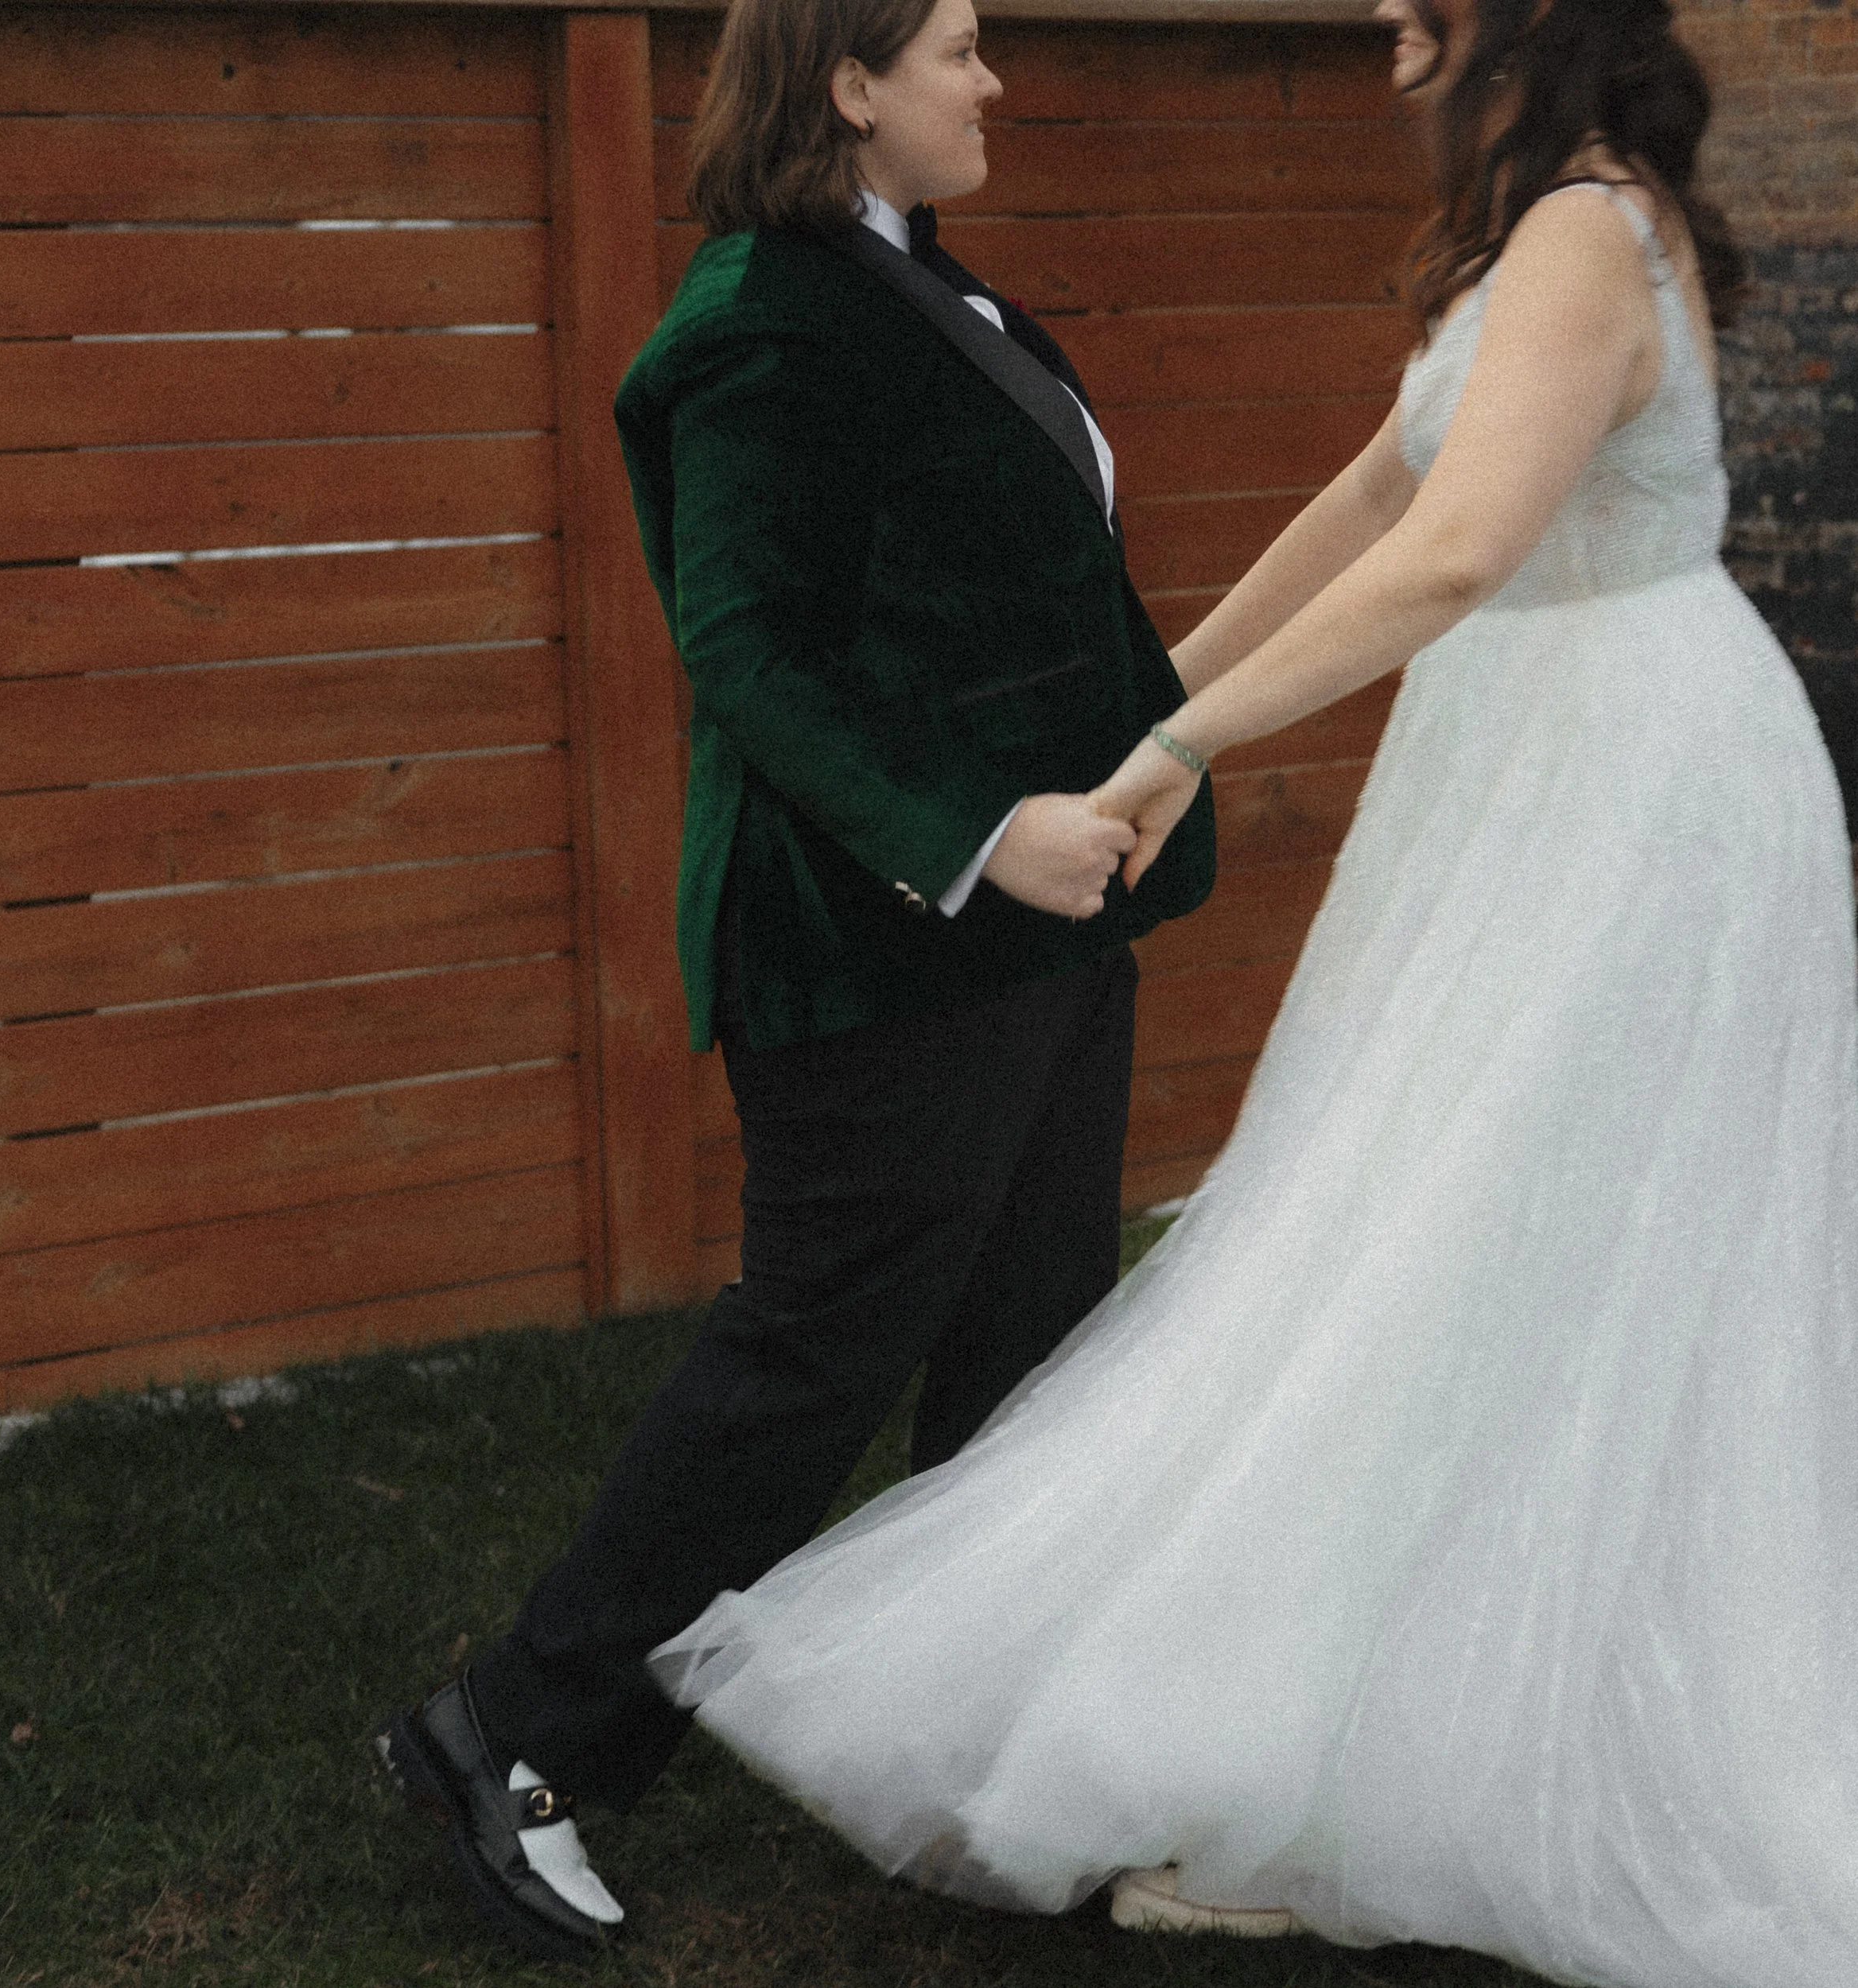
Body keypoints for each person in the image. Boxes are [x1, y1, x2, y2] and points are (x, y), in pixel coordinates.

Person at [650, 0, 1858, 1981]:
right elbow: (1375, 493)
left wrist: (1175, 748)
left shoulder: (1585, 228)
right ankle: (1374, 1713)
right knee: (1435, 1224)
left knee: (1515, 1233)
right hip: (1526, 768)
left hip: (1637, 792)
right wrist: (1156, 699)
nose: (1383, 17)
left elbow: (1454, 552)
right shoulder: (1531, 224)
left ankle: (1433, 1744)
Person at [374, 0, 1214, 1959]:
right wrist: (973, 834)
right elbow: (747, 654)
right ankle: (512, 1734)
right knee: (812, 1356)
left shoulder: (931, 290)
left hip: (1044, 931)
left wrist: (1135, 770)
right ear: (846, 83)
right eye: (957, 49)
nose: (992, 82)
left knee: (1027, 1348)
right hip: (872, 952)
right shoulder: (759, 319)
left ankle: (988, 1773)